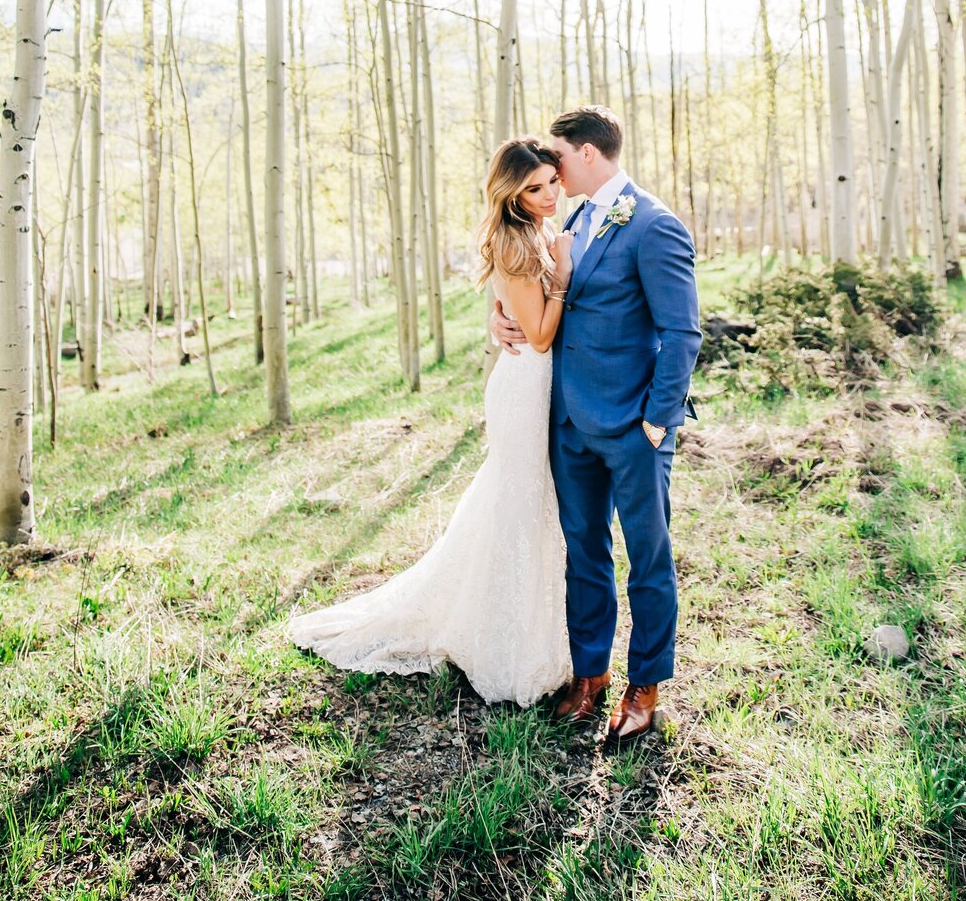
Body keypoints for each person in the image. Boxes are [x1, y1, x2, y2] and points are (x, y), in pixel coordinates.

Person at [290, 137, 572, 706]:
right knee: (520, 506)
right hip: (523, 387)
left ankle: (527, 629)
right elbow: (539, 334)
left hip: (540, 384)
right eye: (533, 187)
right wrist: (561, 276)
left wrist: (508, 308)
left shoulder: (535, 232)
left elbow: (521, 313)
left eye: (551, 183)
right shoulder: (516, 242)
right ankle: (503, 644)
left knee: (530, 507)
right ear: (510, 194)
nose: (547, 195)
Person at [489, 104, 702, 749]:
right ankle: (590, 675)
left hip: (635, 428)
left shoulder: (654, 225)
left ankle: (645, 688)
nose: (550, 170)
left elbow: (682, 332)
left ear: (584, 154)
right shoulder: (571, 217)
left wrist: (657, 424)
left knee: (647, 556)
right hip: (567, 420)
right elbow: (541, 296)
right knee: (583, 552)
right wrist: (498, 323)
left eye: (557, 156)